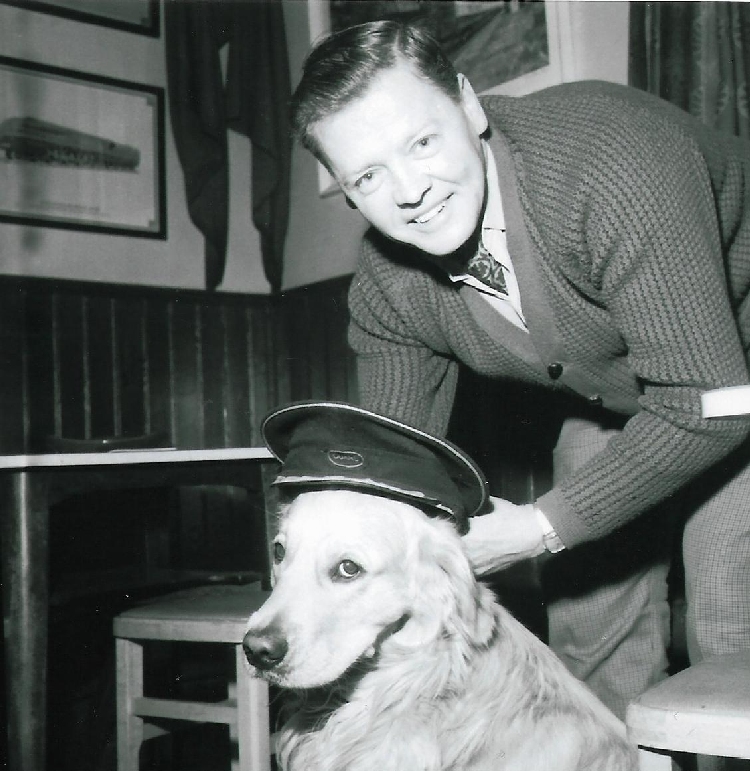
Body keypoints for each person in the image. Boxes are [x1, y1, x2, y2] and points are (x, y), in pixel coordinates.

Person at [288, 19, 750, 723]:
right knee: (590, 631)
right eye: (369, 176)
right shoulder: (389, 286)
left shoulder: (613, 162)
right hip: (623, 390)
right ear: (349, 192)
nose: (410, 191)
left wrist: (540, 526)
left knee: (728, 623)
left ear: (470, 106)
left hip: (732, 372)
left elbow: (706, 405)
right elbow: (393, 474)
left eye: (422, 142)